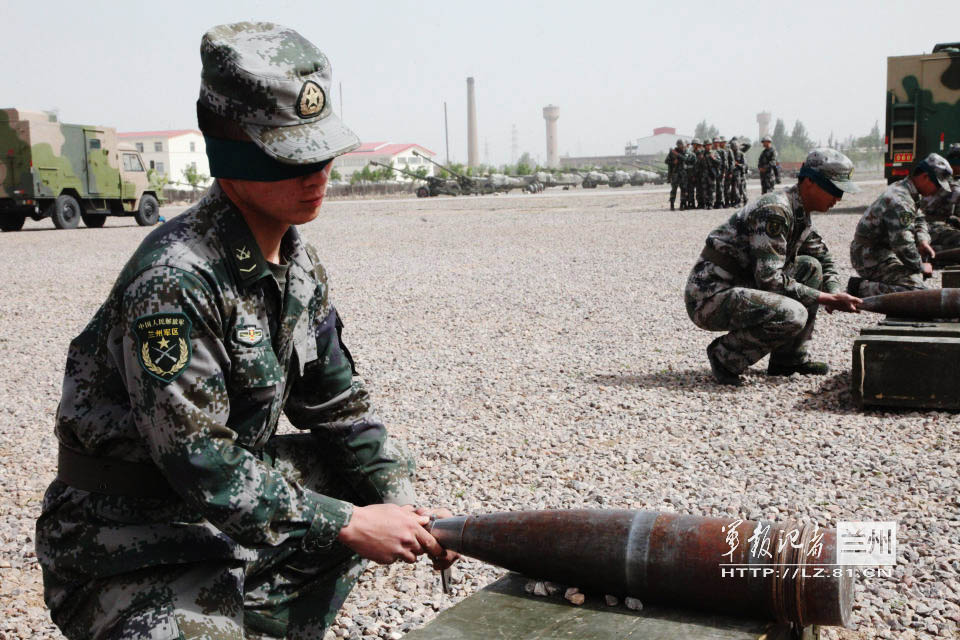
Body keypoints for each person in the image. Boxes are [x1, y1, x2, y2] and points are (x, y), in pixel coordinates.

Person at [35, 22, 457, 639]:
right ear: (230, 152)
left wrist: (408, 506)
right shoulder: (176, 280)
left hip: (223, 520)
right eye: (293, 156)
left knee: (351, 474)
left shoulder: (298, 263)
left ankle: (256, 617)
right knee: (340, 511)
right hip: (129, 541)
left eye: (323, 152)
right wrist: (346, 524)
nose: (319, 173)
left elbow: (340, 407)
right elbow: (201, 462)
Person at [685, 149, 862, 385]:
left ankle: (789, 359)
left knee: (810, 267)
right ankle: (725, 356)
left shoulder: (799, 213)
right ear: (809, 182)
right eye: (834, 189)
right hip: (710, 296)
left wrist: (834, 289)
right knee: (792, 313)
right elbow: (771, 279)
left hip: (741, 286)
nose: (838, 198)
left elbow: (823, 258)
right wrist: (825, 298)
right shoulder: (775, 211)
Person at [848, 153, 953, 297]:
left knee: (915, 279)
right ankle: (859, 288)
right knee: (916, 291)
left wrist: (923, 241)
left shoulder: (908, 190)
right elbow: (903, 245)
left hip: (880, 251)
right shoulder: (901, 201)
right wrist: (921, 266)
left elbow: (919, 218)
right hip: (869, 256)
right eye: (937, 185)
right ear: (925, 177)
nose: (937, 190)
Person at [918, 143, 960, 253]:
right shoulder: (949, 183)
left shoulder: (946, 178)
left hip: (932, 225)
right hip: (929, 227)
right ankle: (934, 252)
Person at [665, 139, 686, 211]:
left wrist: (677, 154)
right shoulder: (672, 152)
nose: (681, 146)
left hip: (682, 174)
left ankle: (682, 205)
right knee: (674, 190)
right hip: (675, 174)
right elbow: (666, 161)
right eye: (680, 145)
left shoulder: (684, 151)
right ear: (677, 145)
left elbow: (685, 159)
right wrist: (673, 162)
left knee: (683, 189)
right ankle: (672, 205)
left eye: (682, 145)